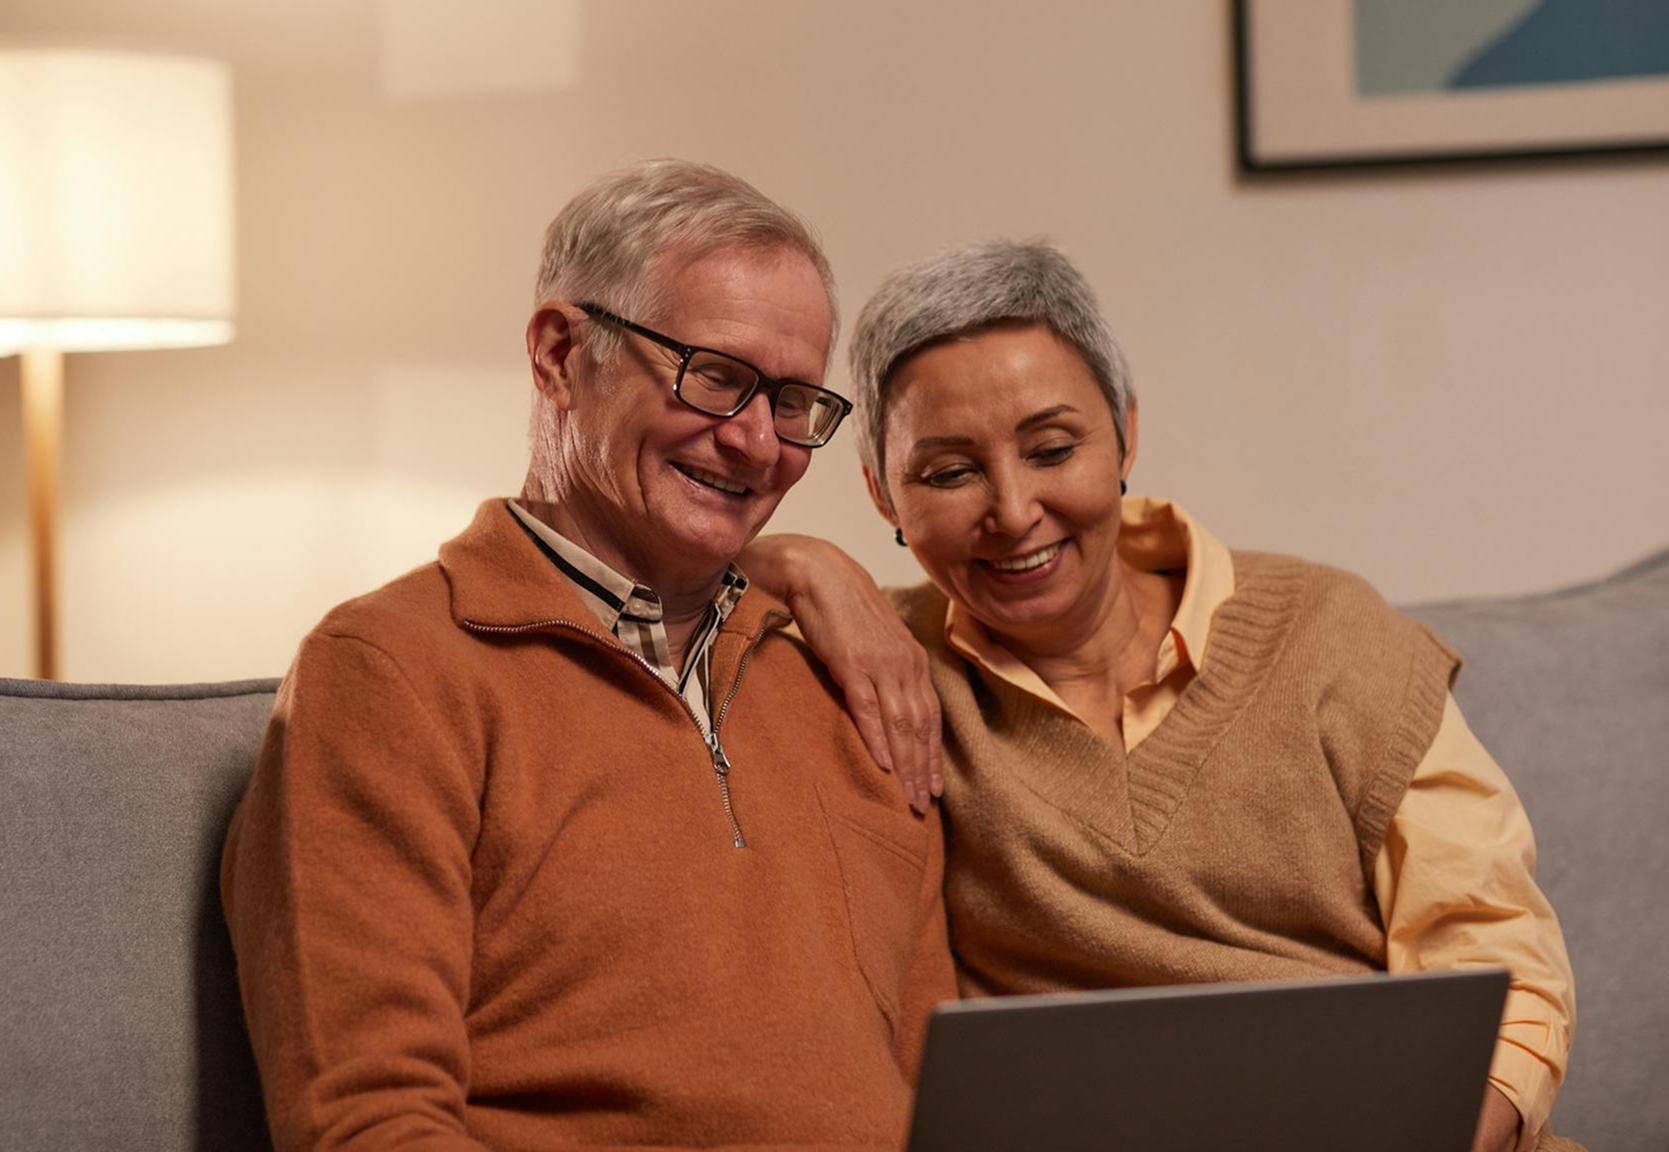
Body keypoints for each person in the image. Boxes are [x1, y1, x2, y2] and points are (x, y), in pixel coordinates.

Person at [743, 239, 1581, 1152]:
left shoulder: (1331, 631)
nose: (1014, 510)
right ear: (880, 495)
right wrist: (792, 560)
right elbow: (612, 569)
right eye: (948, 472)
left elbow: (1497, 955)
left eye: (1052, 448)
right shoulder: (881, 672)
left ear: (1125, 435)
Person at [220, 159, 957, 1152]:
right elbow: (368, 1124)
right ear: (561, 355)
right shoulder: (389, 673)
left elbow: (947, 1102)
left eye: (791, 401)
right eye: (717, 376)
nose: (755, 442)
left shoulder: (854, 681)